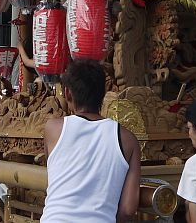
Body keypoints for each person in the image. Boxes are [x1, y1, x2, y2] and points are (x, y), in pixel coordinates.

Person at [41, 58, 141, 222]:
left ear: (67, 93)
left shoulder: (53, 129)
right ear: (103, 93)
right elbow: (128, 210)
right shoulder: (128, 140)